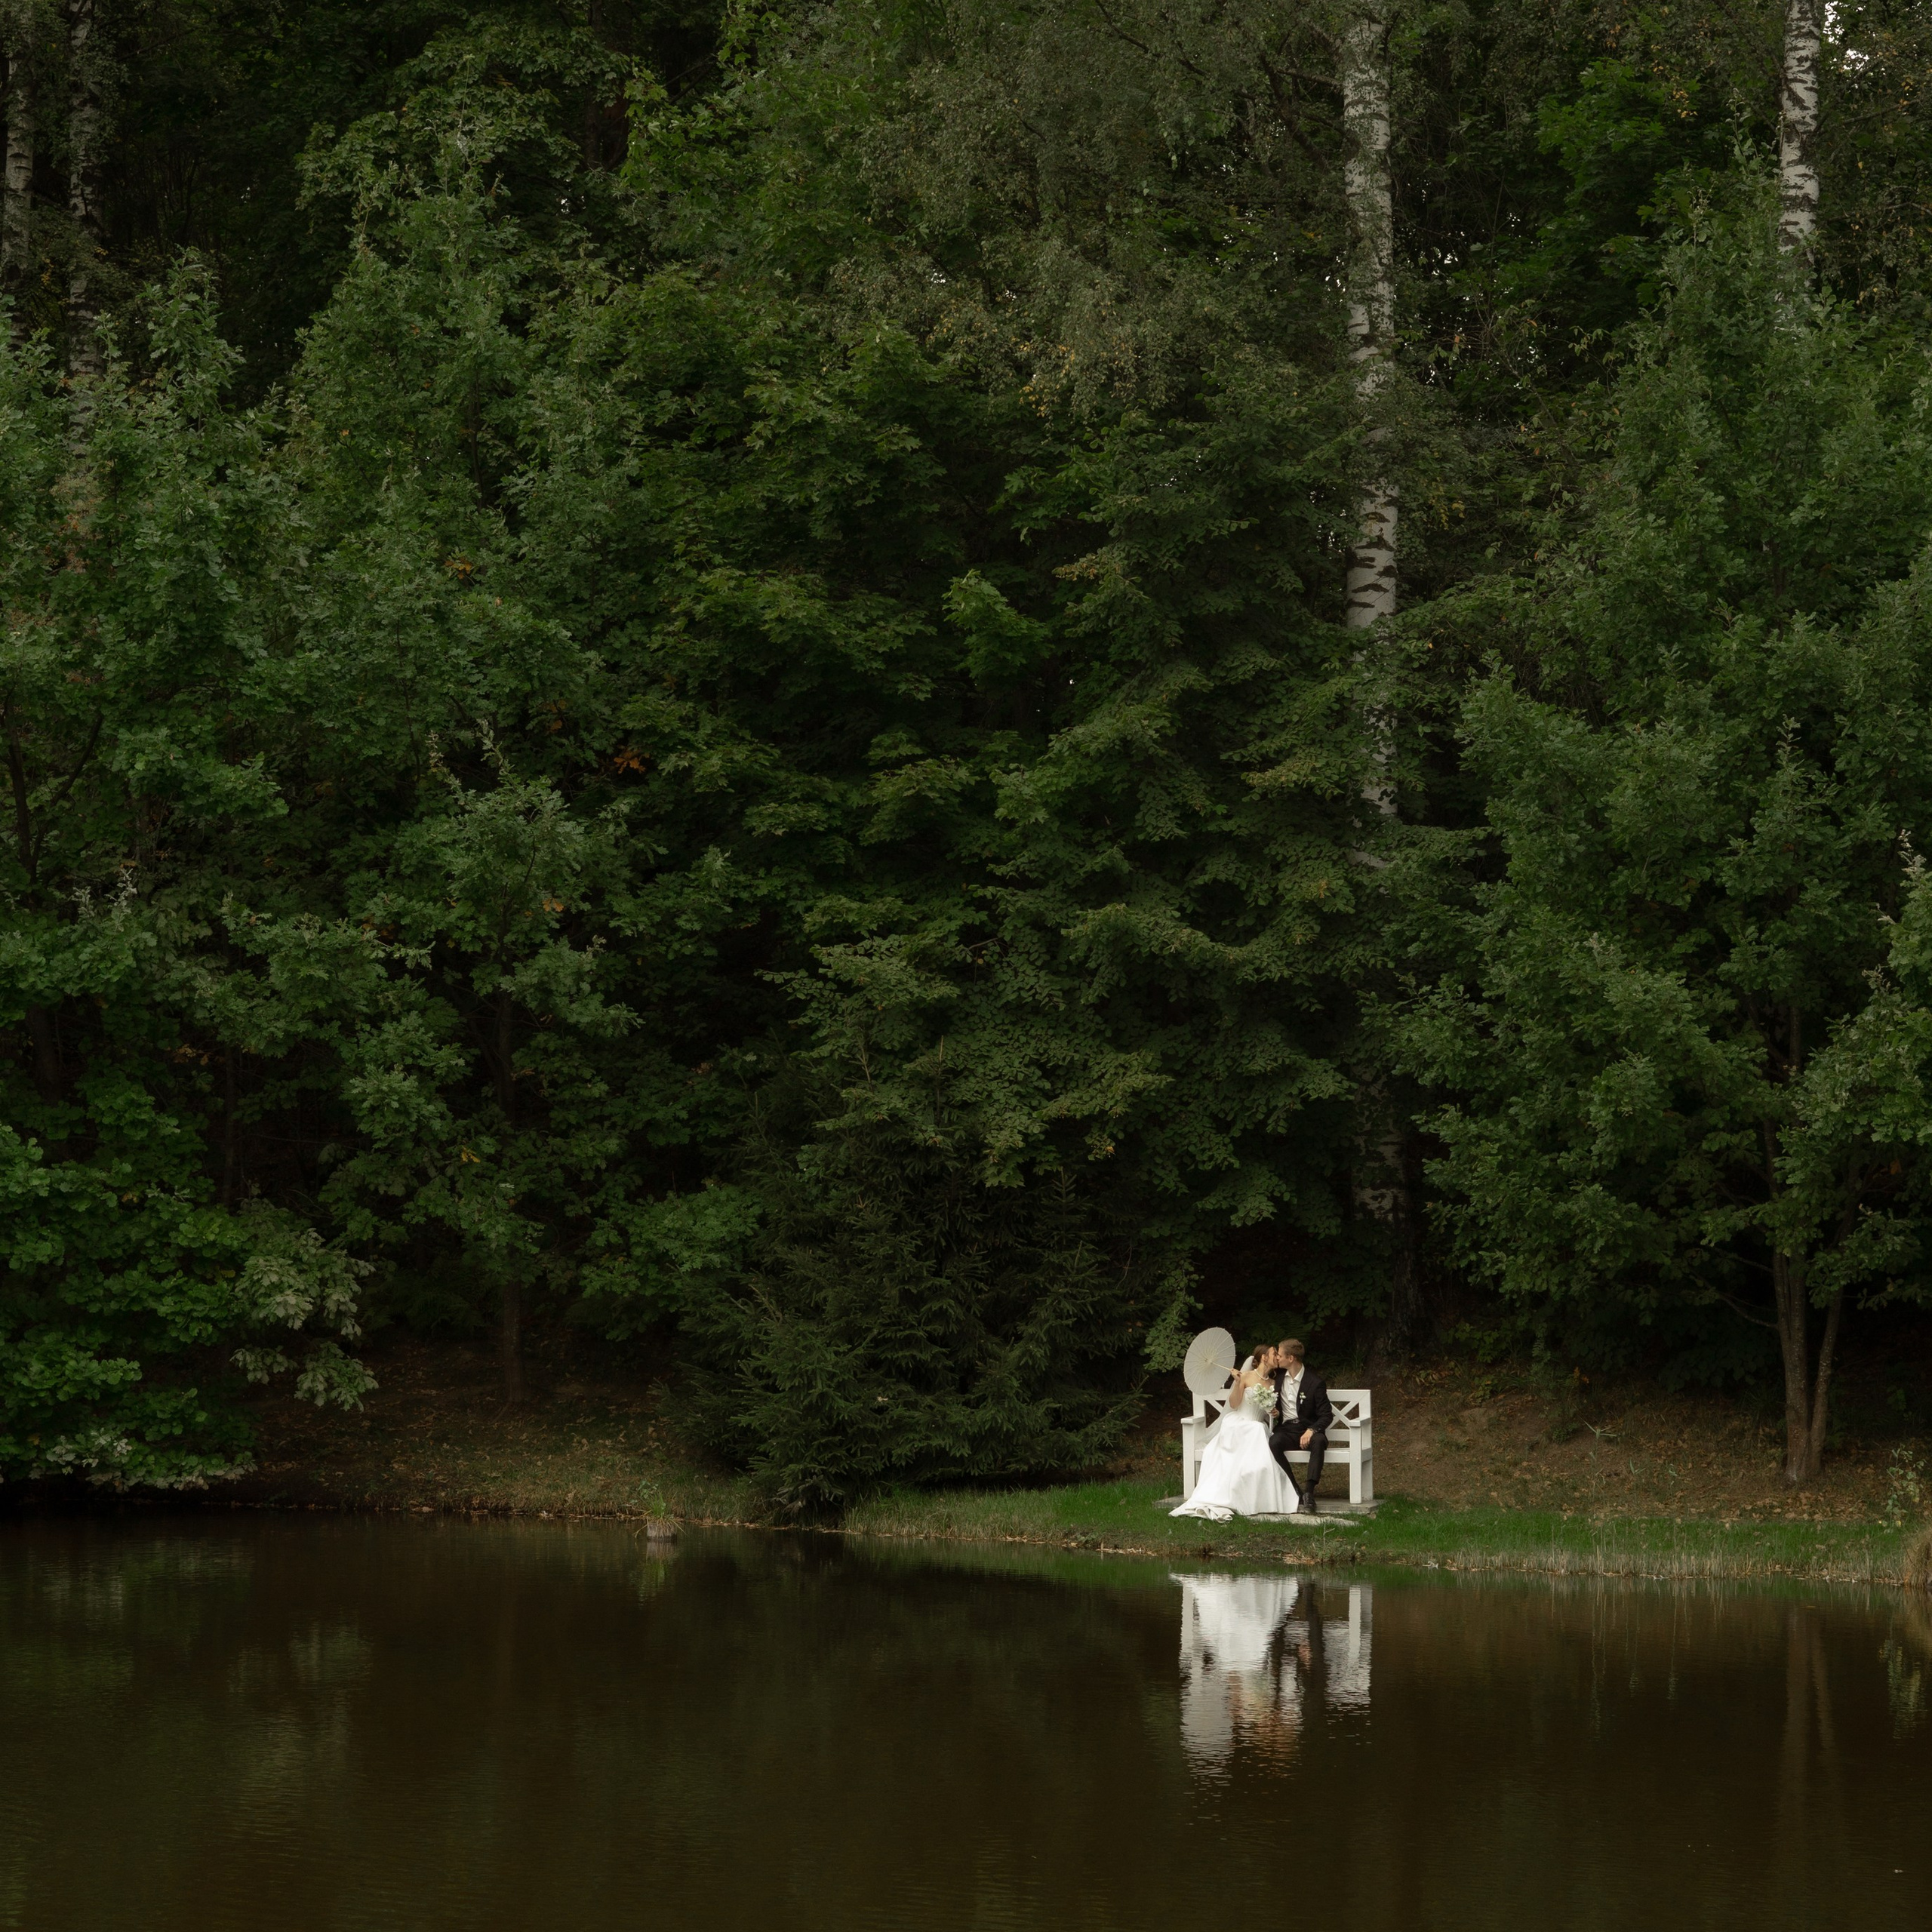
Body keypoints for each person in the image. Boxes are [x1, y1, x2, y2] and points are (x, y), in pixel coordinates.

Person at [1171, 1345, 1301, 1522]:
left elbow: (1273, 1410)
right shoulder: (1245, 1377)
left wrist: (1274, 1413)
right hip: (1239, 1425)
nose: (1277, 1357)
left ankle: (1259, 1498)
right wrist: (1238, 1383)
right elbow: (1233, 1404)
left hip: (1258, 1427)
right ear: (1264, 1357)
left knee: (1260, 1459)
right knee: (1250, 1440)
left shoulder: (1272, 1383)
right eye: (1274, 1354)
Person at [1267, 1337, 1334, 1512]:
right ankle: (1295, 1489)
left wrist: (1311, 1430)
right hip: (1287, 1430)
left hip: (1308, 1429)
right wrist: (1277, 1413)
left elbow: (1327, 1415)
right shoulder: (1279, 1379)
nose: (1277, 1358)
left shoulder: (1315, 1383)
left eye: (1280, 1355)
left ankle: (1309, 1492)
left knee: (1319, 1442)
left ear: (1291, 1358)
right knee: (1273, 1443)